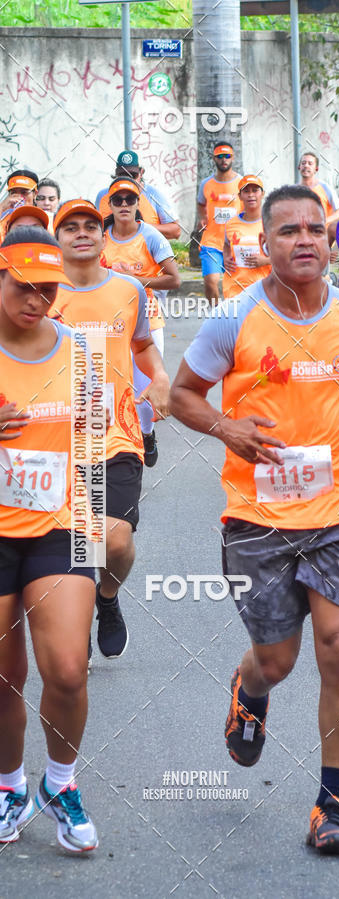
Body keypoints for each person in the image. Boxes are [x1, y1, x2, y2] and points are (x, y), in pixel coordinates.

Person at [170, 183, 339, 856]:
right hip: (259, 511)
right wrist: (227, 426)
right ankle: (251, 683)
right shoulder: (234, 319)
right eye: (290, 230)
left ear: (329, 242)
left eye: (315, 229)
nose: (305, 239)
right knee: (278, 658)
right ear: (265, 243)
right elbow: (180, 394)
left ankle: (332, 804)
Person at [0, 227, 99, 851]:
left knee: (65, 668)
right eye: (23, 288)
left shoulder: (80, 350)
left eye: (48, 289)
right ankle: (8, 787)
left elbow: (90, 447)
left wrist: (88, 537)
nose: (36, 300)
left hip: (60, 524)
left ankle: (59, 784)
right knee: (3, 676)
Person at [51, 198, 170, 662]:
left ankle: (106, 597)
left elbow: (142, 344)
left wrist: (159, 377)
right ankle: (77, 611)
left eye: (89, 226)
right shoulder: (40, 294)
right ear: (57, 240)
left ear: (104, 237)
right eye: (70, 228)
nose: (81, 233)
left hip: (116, 431)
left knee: (115, 538)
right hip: (55, 436)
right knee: (77, 538)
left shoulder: (129, 290)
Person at [101, 177, 180, 467]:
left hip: (146, 319)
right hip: (109, 321)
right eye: (118, 200)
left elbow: (174, 279)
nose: (124, 205)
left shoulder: (150, 236)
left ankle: (146, 434)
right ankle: (114, 444)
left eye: (129, 199)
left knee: (144, 384)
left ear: (137, 204)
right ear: (109, 205)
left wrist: (136, 281)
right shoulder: (101, 236)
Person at [95, 151, 181, 240]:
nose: (128, 180)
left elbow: (176, 231)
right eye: (122, 175)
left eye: (132, 175)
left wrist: (139, 226)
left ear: (141, 172)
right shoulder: (102, 196)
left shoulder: (153, 194)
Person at [196, 142, 242, 303]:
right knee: (211, 281)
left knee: (237, 286)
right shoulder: (206, 184)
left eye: (227, 156)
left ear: (233, 158)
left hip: (236, 243)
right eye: (220, 156)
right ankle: (216, 315)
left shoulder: (241, 184)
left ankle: (235, 318)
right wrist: (202, 217)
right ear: (214, 159)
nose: (224, 160)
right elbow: (200, 203)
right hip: (212, 242)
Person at [222, 175, 270, 298]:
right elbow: (227, 244)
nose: (251, 195)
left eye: (255, 190)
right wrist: (226, 257)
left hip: (263, 291)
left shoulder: (272, 223)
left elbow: (285, 257)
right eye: (246, 191)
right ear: (240, 196)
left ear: (263, 194)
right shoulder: (231, 224)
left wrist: (265, 261)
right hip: (234, 290)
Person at [298, 152, 339, 223]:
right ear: (299, 167)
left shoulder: (325, 187)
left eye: (310, 163)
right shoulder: (293, 190)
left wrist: (325, 221)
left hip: (322, 233)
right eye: (303, 163)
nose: (306, 165)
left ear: (316, 169)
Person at [0, 170, 38, 241]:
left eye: (24, 192)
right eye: (13, 193)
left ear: (35, 194)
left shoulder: (45, 219)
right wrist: (1, 207)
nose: (19, 197)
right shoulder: (3, 218)